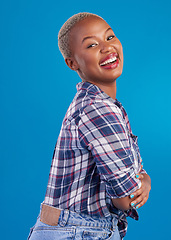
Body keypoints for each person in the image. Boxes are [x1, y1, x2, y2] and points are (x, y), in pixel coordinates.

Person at [28, 12, 151, 240]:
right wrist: (144, 180)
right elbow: (126, 199)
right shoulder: (98, 110)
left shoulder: (92, 103)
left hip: (68, 228)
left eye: (110, 37)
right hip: (77, 232)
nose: (106, 48)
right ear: (72, 62)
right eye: (92, 45)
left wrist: (142, 178)